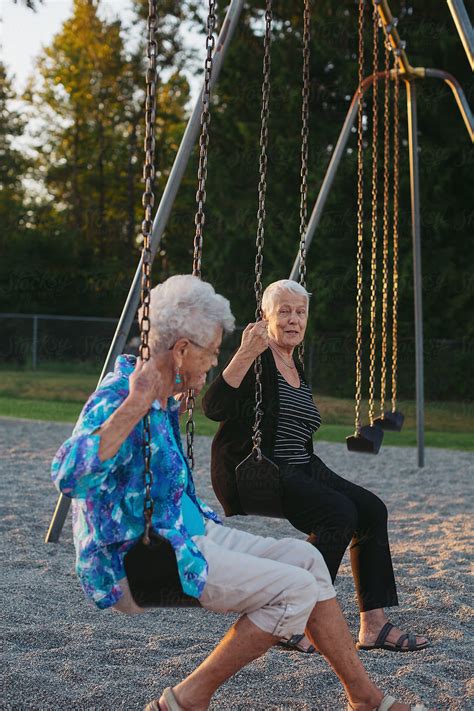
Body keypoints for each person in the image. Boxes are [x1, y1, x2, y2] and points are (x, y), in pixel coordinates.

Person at [52, 275, 428, 711]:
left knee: (307, 560)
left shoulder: (165, 398)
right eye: (211, 353)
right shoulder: (125, 393)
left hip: (190, 530)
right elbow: (67, 475)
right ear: (181, 351)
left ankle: (365, 699)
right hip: (142, 559)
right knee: (293, 589)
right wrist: (136, 403)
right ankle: (189, 697)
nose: (213, 362)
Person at [202, 279, 429, 655]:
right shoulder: (257, 357)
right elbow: (214, 407)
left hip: (302, 465)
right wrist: (243, 352)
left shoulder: (294, 362)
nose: (294, 319)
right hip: (259, 470)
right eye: (285, 312)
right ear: (265, 318)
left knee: (370, 509)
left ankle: (373, 625)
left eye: (300, 312)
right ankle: (291, 618)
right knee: (337, 513)